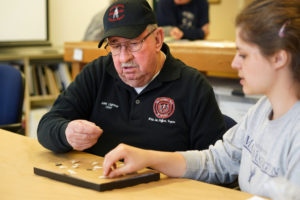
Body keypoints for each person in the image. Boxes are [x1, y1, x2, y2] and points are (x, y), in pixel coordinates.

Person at [102, 0, 300, 199]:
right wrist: (147, 157)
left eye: (243, 54)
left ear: (278, 58)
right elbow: (217, 161)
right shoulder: (262, 109)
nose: (234, 63)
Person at [37, 0, 226, 157]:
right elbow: (47, 125)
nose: (123, 58)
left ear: (158, 40)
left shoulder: (193, 87)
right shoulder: (98, 73)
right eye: (115, 46)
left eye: (134, 44)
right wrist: (66, 132)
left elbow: (215, 164)